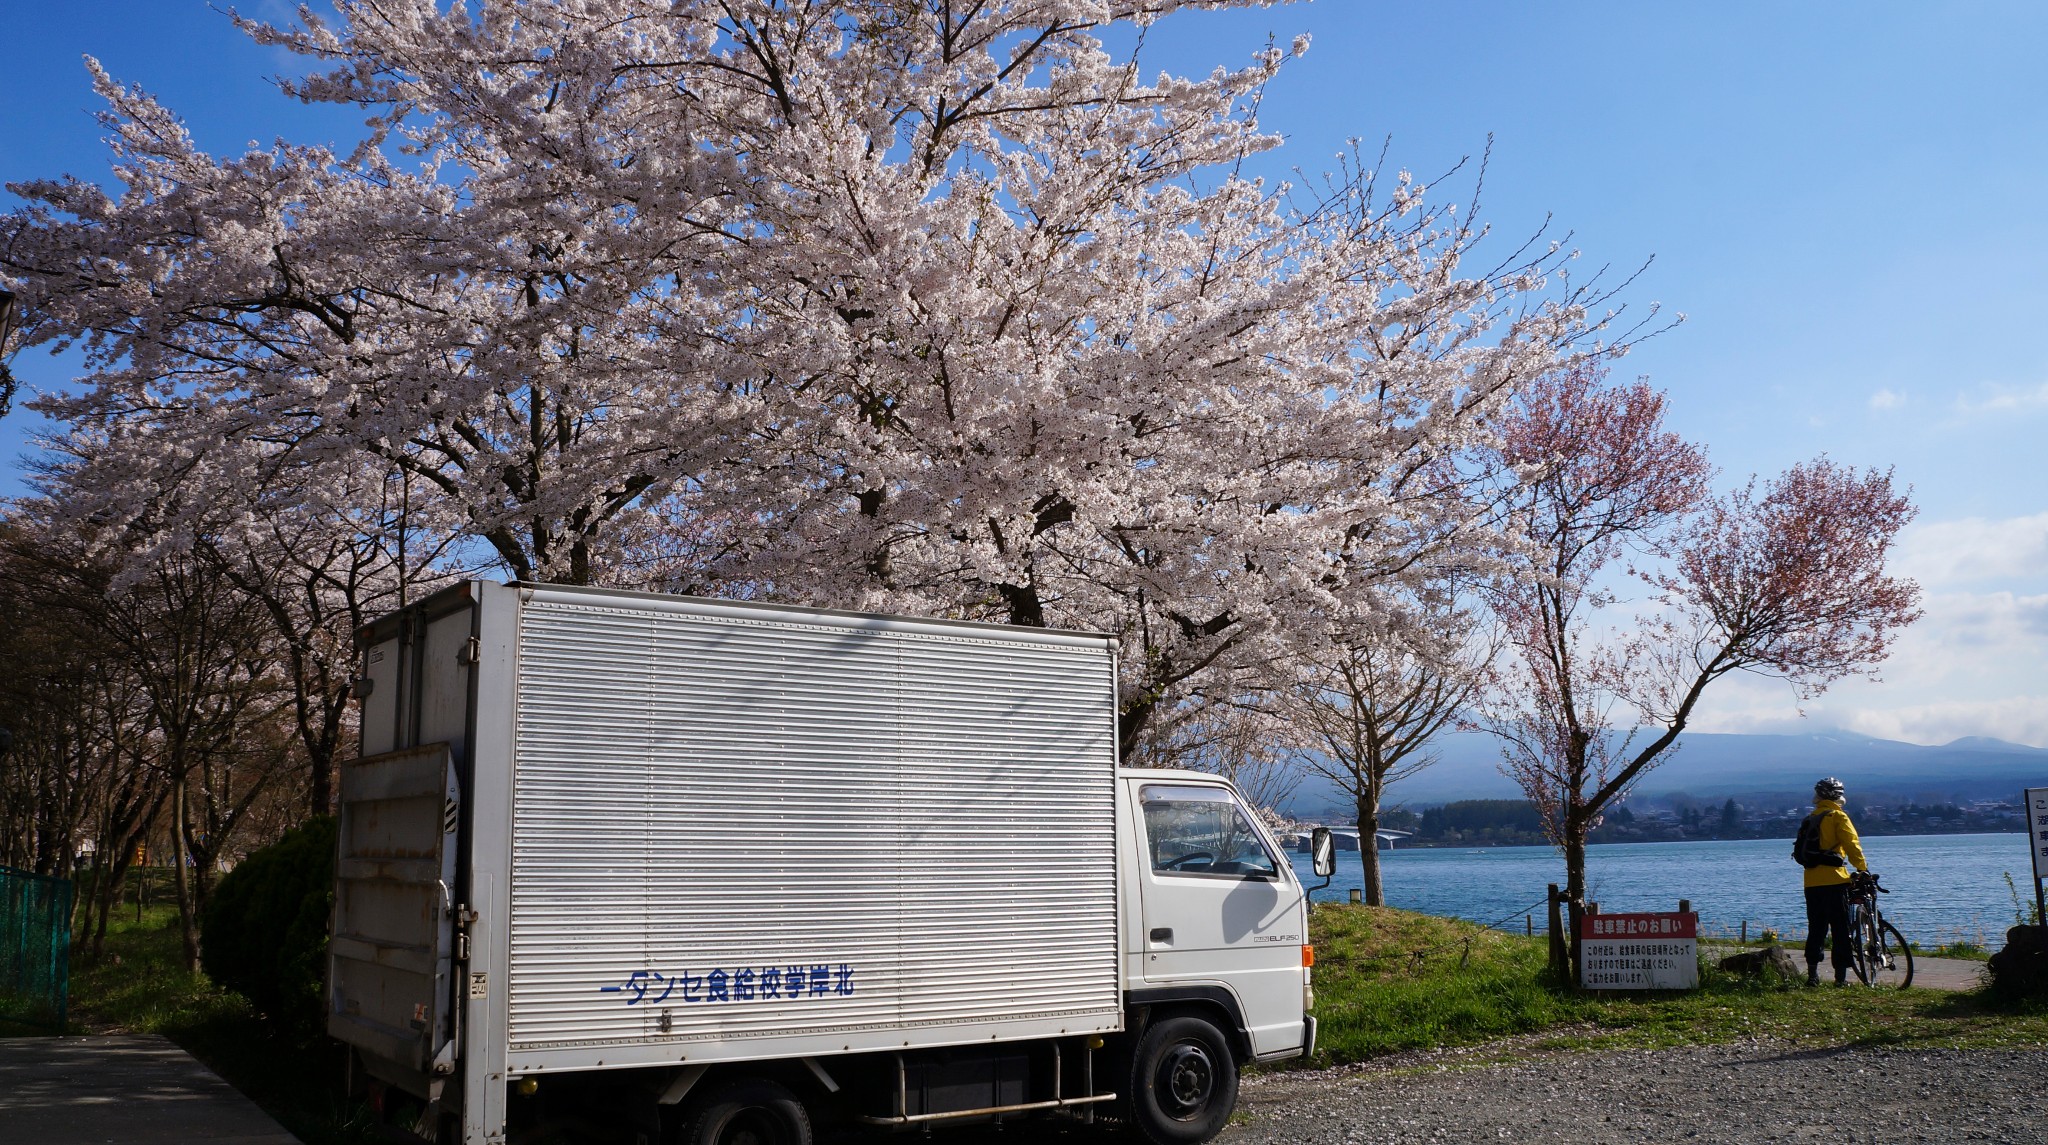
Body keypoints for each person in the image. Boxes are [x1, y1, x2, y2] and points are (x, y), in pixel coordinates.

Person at [1793, 777, 1870, 986]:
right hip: (1835, 880)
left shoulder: (1810, 818)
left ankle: (1812, 975)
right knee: (1840, 930)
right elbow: (1852, 845)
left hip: (1811, 882)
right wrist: (1862, 869)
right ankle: (1840, 978)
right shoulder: (1838, 816)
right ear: (1837, 796)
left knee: (1816, 928)